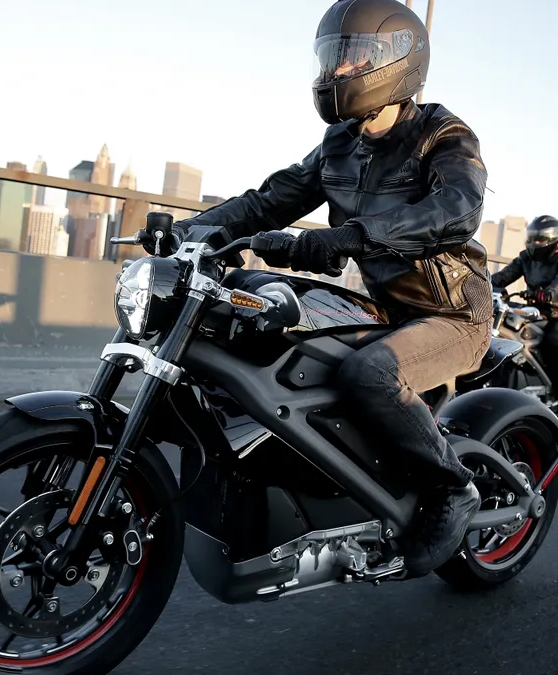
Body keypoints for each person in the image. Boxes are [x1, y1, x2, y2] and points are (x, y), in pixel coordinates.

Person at [158, 0, 494, 577]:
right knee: (248, 307)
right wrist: (191, 230)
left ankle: (451, 486)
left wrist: (348, 238)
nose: (337, 71)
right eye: (332, 58)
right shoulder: (339, 144)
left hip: (452, 312)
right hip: (382, 305)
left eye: (353, 59)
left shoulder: (443, 134)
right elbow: (268, 200)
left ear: (398, 63)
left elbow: (456, 209)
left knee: (369, 375)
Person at [489, 216, 558, 408]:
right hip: (533, 309)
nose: (534, 243)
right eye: (531, 238)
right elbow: (504, 276)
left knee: (551, 341)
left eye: (539, 239)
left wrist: (549, 294)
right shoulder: (526, 257)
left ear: (553, 239)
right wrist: (484, 283)